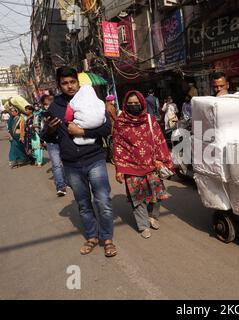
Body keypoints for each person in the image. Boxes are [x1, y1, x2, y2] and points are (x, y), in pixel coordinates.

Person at [41, 66, 117, 258]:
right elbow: (47, 137)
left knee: (103, 201)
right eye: (65, 83)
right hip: (71, 163)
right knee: (83, 204)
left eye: (72, 82)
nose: (69, 86)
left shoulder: (91, 99)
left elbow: (107, 128)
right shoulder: (55, 106)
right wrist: (50, 130)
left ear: (78, 81)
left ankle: (107, 239)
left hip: (94, 158)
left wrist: (83, 132)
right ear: (59, 85)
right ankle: (92, 237)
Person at [113, 91, 173, 238]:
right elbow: (117, 146)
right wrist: (119, 169)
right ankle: (143, 225)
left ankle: (153, 216)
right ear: (125, 104)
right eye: (130, 104)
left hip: (152, 164)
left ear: (142, 103)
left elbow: (159, 139)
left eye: (136, 103)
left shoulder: (149, 119)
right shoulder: (120, 122)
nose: (133, 106)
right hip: (131, 166)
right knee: (137, 198)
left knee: (156, 195)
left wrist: (164, 160)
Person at [41, 94, 68, 196]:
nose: (47, 105)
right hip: (52, 143)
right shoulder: (43, 116)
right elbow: (42, 132)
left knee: (66, 162)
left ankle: (68, 181)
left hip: (63, 141)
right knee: (56, 165)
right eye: (45, 104)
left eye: (49, 102)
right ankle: (61, 186)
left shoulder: (62, 110)